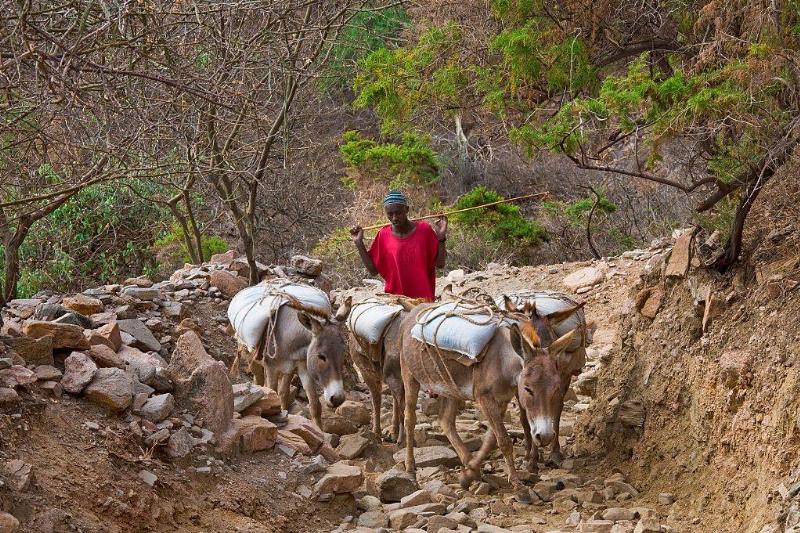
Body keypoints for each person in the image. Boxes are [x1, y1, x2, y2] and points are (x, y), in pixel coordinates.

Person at [350, 190, 447, 302]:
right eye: (390, 214)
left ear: (406, 209)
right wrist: (359, 243)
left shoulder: (424, 230)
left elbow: (440, 264)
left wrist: (441, 238)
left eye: (398, 213)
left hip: (423, 301)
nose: (394, 218)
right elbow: (373, 271)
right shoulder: (383, 235)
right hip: (395, 302)